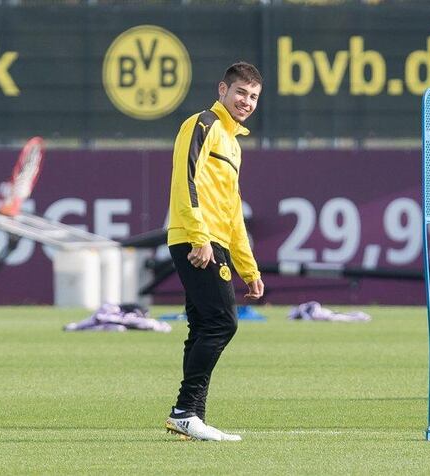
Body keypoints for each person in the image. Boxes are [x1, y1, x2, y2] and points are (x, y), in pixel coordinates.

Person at [164, 62, 265, 442]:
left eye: (254, 96)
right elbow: (184, 178)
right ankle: (185, 410)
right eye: (241, 92)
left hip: (214, 241)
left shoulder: (233, 143)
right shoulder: (203, 123)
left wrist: (249, 268)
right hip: (198, 240)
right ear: (222, 89)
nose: (247, 101)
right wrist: (199, 237)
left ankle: (189, 417)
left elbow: (232, 210)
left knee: (205, 325)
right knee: (224, 322)